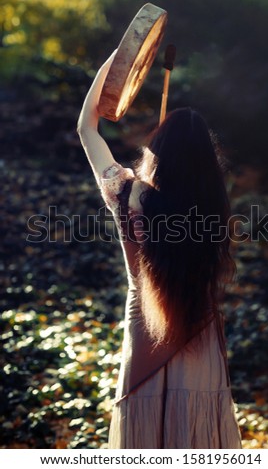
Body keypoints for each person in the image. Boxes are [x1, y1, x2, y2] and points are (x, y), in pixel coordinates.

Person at [77, 50, 242, 449]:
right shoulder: (213, 206)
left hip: (144, 329)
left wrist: (118, 61)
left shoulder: (128, 193)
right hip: (199, 336)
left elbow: (86, 128)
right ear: (205, 161)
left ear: (159, 150)